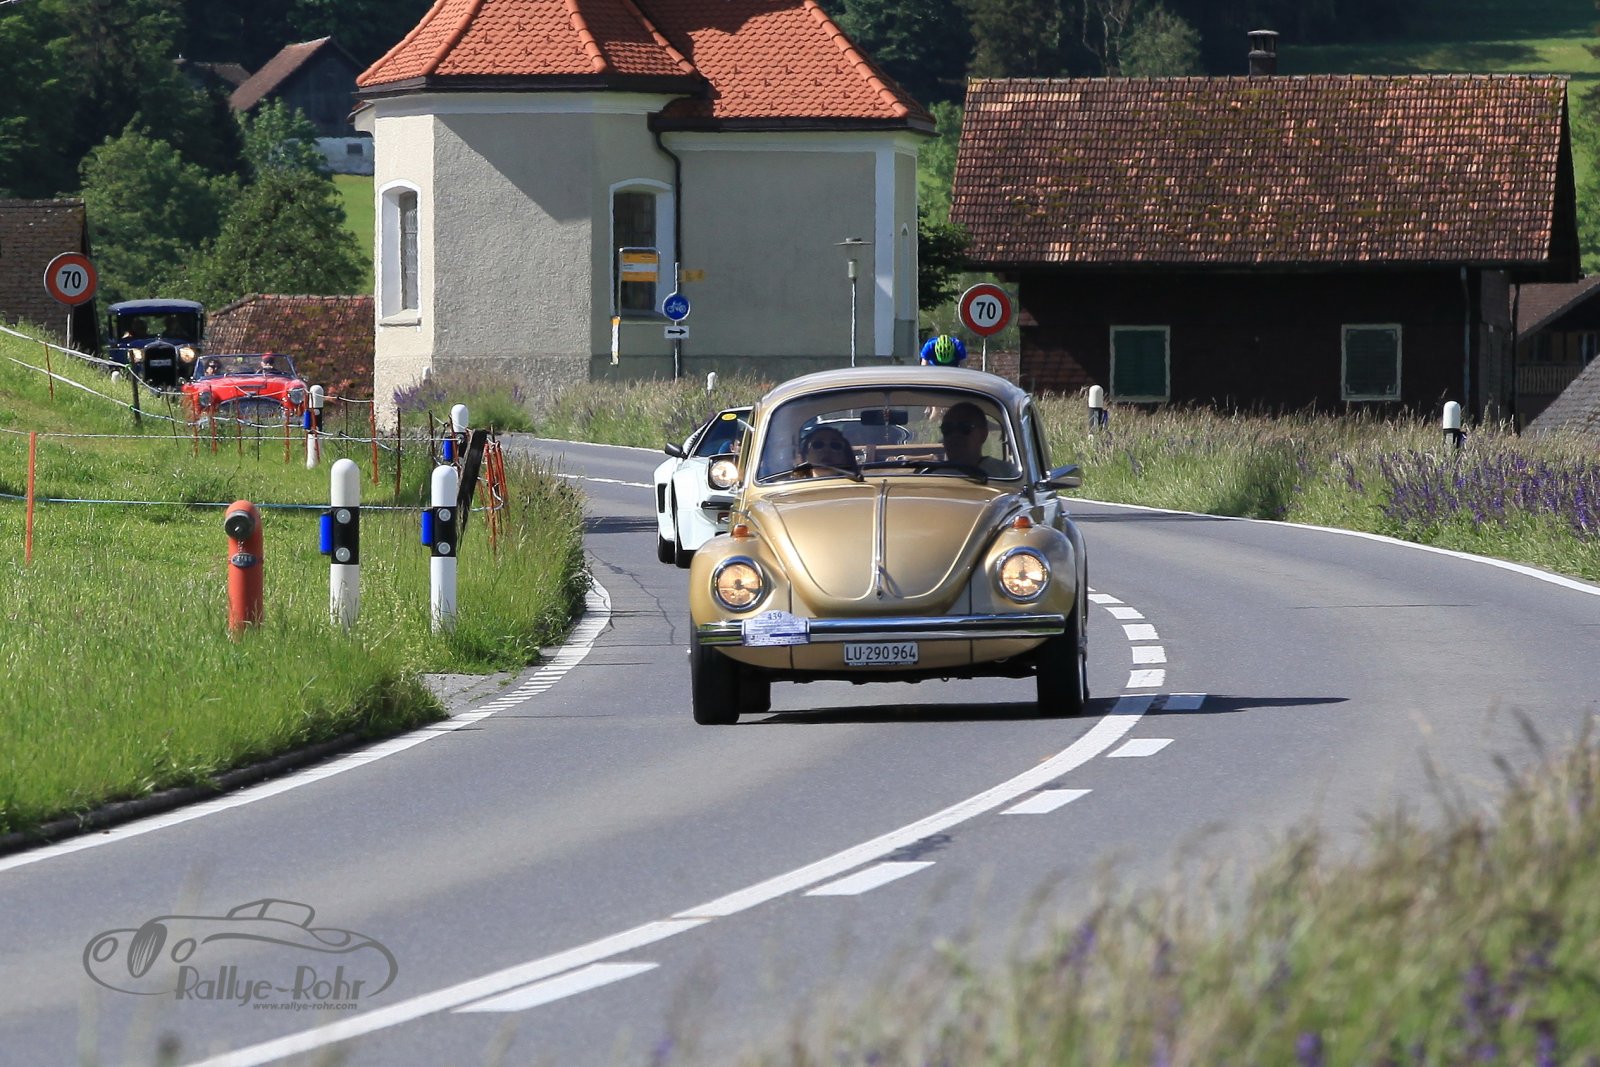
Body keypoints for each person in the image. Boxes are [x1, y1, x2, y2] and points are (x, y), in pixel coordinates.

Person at [939, 401, 1013, 477]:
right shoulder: (934, 475)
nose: (954, 435)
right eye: (947, 428)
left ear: (983, 434)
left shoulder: (1007, 474)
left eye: (964, 427)